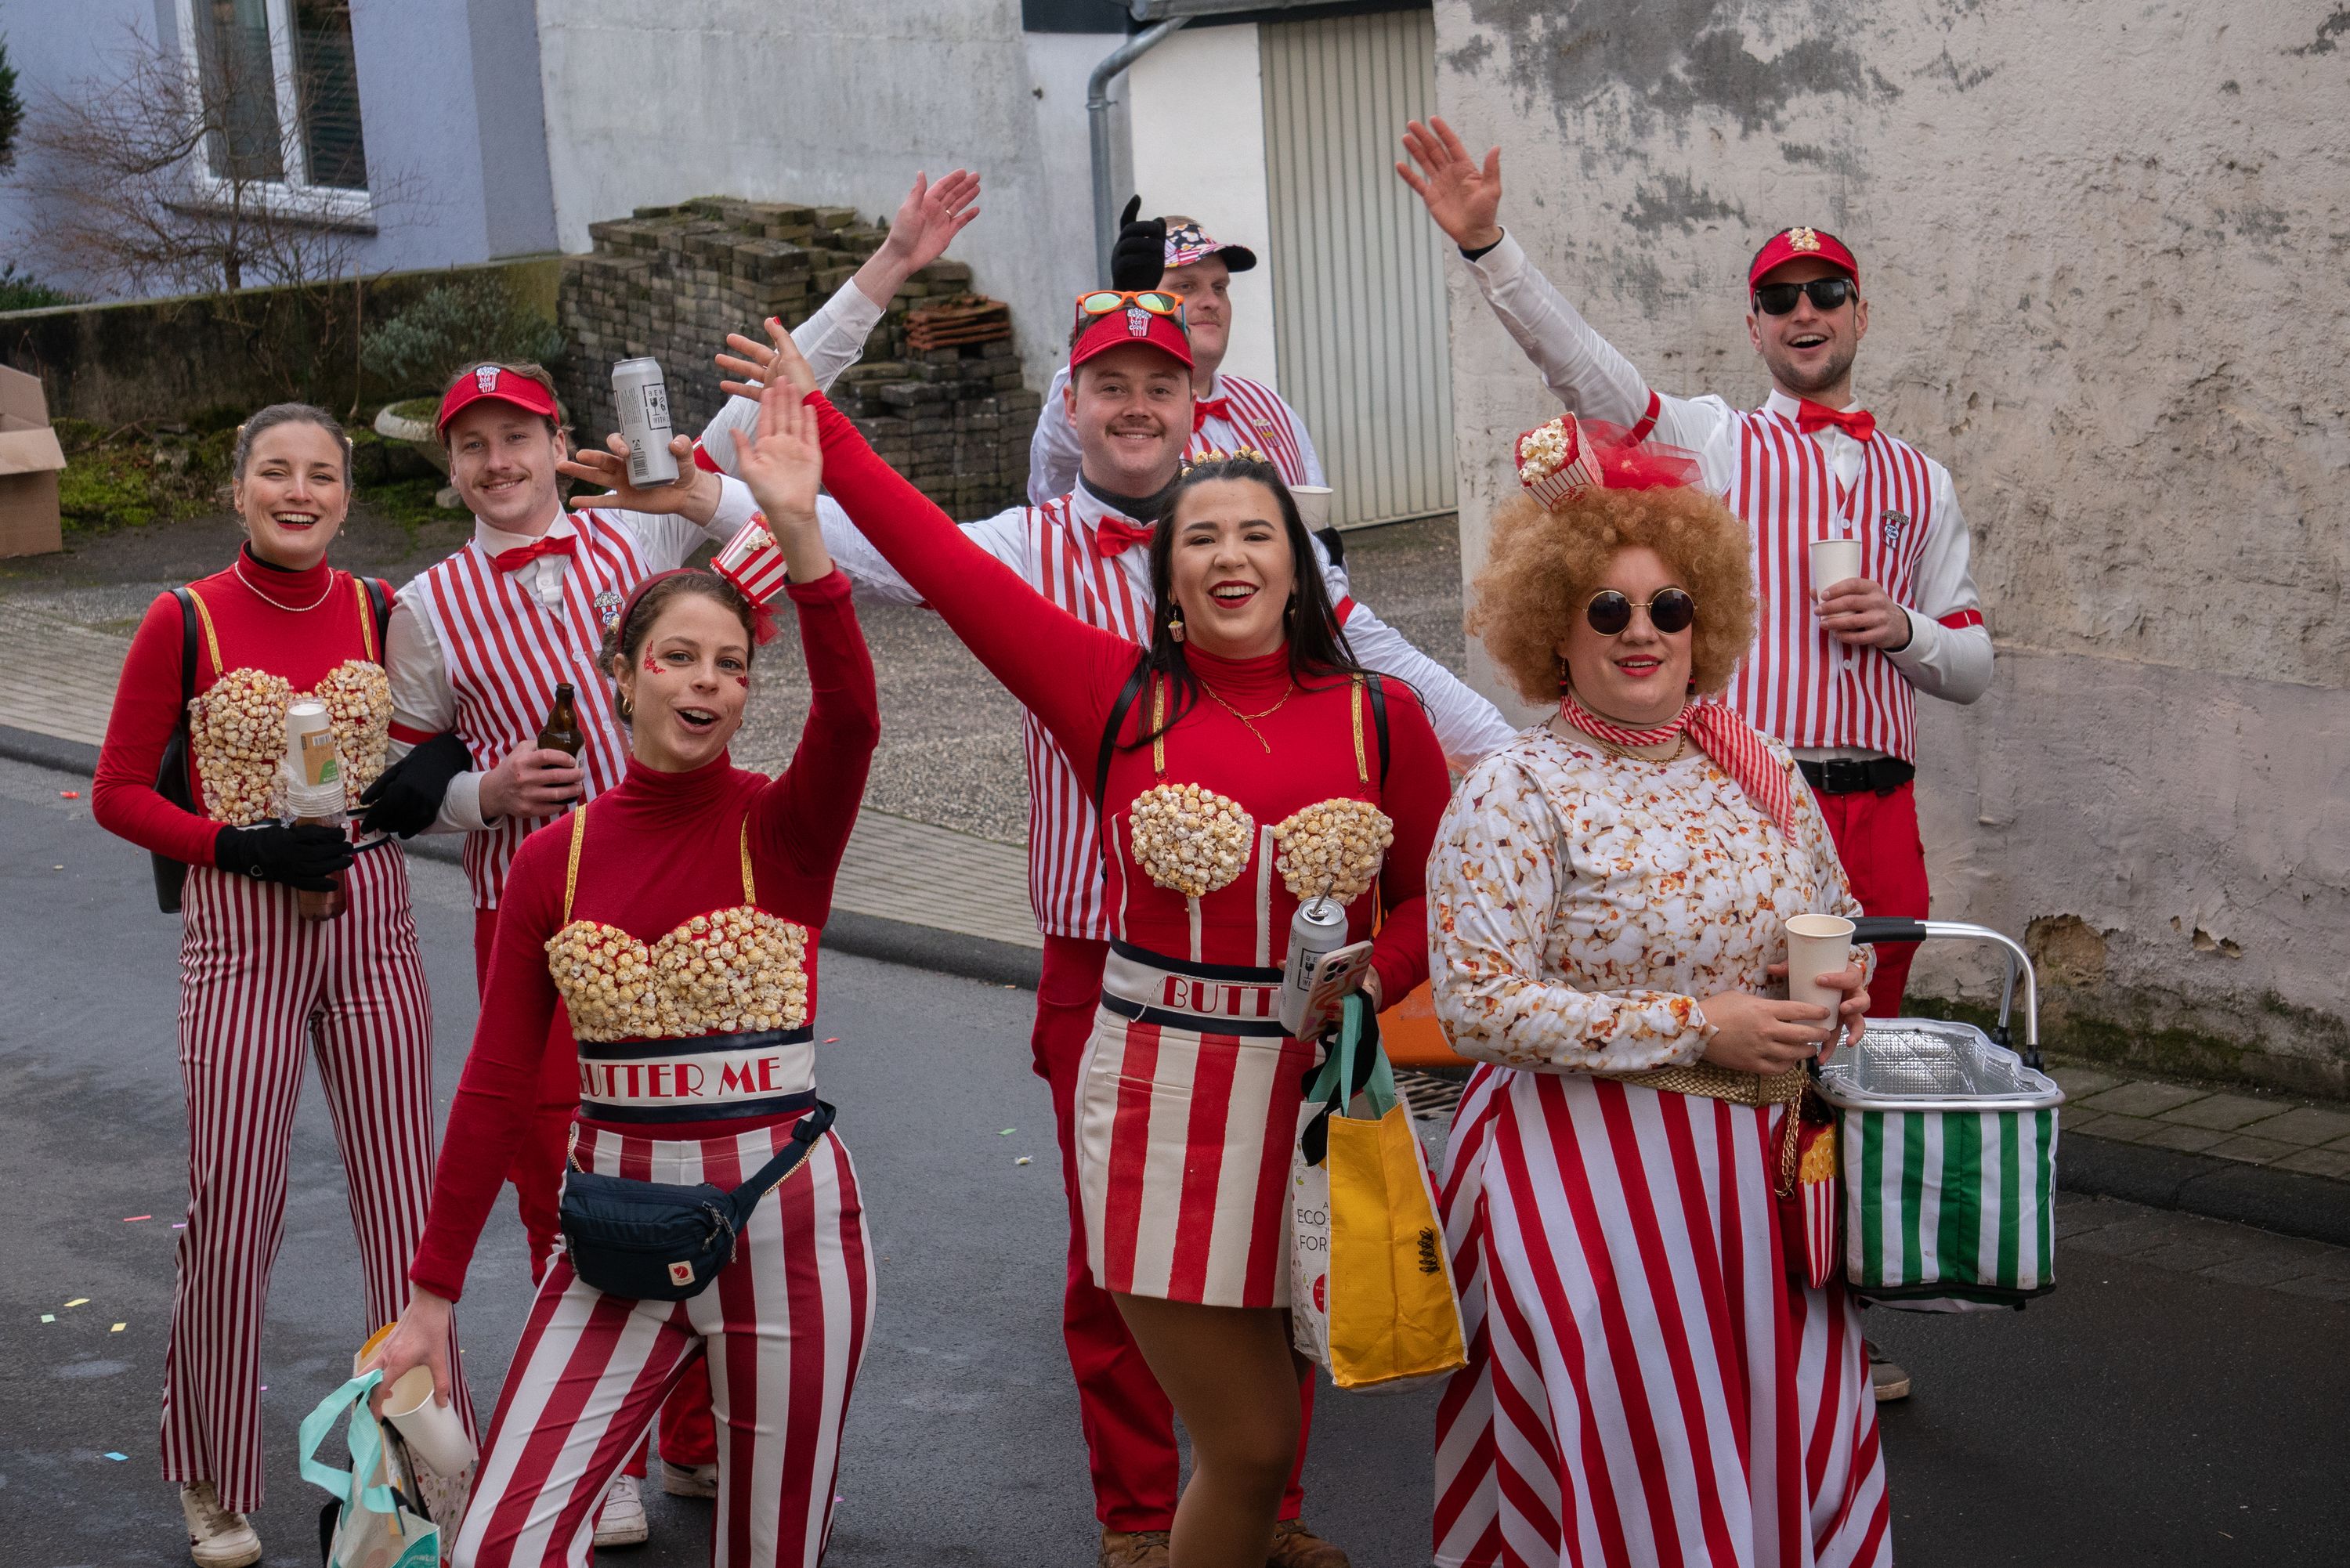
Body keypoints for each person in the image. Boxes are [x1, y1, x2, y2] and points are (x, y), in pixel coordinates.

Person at [708, 294, 1509, 1568]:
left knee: (1274, 1388)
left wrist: (1370, 979)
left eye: (1259, 531)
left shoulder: (1378, 721)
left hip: (1310, 1084)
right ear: (1170, 572)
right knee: (1217, 1413)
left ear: (1302, 566)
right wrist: (830, 444)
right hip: (1158, 1081)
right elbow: (946, 570)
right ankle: (1139, 1520)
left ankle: (1242, 1524)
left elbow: (1441, 897)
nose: (1231, 553)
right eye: (1203, 538)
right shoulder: (1114, 696)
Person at [362, 169, 977, 1537]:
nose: (500, 459)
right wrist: (478, 791)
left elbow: (768, 407)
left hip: (781, 1211)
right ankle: (619, 1451)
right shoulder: (425, 608)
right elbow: (396, 783)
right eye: (474, 444)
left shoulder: (640, 529)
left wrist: (885, 270)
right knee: (546, 1161)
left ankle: (693, 1438)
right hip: (545, 904)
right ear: (620, 672)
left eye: (518, 434)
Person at [363, 425, 879, 1567]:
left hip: (789, 1229)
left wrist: (800, 537)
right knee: (500, 1538)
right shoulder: (556, 859)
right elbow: (497, 1078)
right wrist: (432, 1293)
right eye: (678, 656)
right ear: (622, 669)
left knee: (773, 1549)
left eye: (731, 663)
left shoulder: (783, 829)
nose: (707, 681)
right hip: (612, 1233)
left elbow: (851, 719)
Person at [1397, 117, 1991, 1025]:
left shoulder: (1924, 478)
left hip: (1883, 803)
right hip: (1747, 791)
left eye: (1827, 291)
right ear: (1753, 326)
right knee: (1749, 1025)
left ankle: (1839, 1176)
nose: (1805, 310)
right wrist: (1489, 246)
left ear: (1861, 314)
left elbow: (1973, 664)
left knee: (1864, 1032)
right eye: (1779, 297)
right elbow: (1587, 373)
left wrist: (1904, 628)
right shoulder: (1717, 439)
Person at [1424, 421, 1885, 1568]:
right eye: (1608, 608)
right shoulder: (1514, 791)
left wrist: (1839, 986)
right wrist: (1698, 1023)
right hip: (1579, 1177)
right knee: (1641, 1466)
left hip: (1760, 1177)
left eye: (1669, 607)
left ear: (1706, 621)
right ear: (1553, 628)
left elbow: (1828, 910)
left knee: (1773, 1444)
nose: (1642, 633)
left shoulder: (1757, 764)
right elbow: (1476, 1004)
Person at [90, 405, 469, 1568]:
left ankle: (422, 1473)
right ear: (239, 486)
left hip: (370, 919)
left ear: (348, 497)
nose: (297, 492)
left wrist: (430, 769)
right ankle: (212, 1475)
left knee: (409, 1210)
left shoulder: (380, 607)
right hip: (242, 922)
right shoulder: (184, 616)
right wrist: (237, 846)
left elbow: (458, 724)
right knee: (235, 1206)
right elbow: (116, 791)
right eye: (274, 472)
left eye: (321, 476)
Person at [1028, 206, 1323, 504]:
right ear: (1147, 298)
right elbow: (1058, 457)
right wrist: (1124, 311)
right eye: (1186, 286)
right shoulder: (1102, 411)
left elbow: (1312, 505)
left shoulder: (1268, 404)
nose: (1211, 302)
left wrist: (1322, 547)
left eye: (1219, 288)